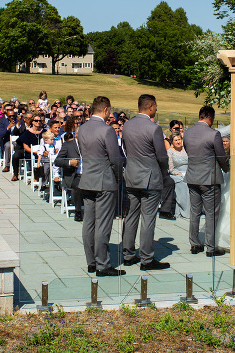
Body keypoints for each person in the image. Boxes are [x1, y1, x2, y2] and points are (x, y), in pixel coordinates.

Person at [121, 94, 171, 270]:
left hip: (132, 174)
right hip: (150, 177)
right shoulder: (154, 128)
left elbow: (125, 149)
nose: (156, 109)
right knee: (148, 218)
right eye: (156, 106)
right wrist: (165, 172)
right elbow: (161, 155)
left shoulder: (126, 126)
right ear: (150, 106)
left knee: (131, 215)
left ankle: (127, 254)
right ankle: (147, 258)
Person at [76, 95, 125, 276]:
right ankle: (103, 264)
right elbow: (115, 158)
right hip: (104, 180)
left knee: (89, 223)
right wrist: (118, 178)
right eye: (110, 111)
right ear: (105, 110)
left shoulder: (82, 129)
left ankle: (91, 261)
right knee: (103, 224)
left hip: (87, 179)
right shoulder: (107, 131)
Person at [183, 106, 229, 257]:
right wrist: (227, 167)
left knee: (195, 212)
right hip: (209, 178)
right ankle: (211, 247)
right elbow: (221, 156)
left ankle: (194, 244)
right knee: (211, 213)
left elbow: (188, 151)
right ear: (210, 117)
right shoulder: (213, 134)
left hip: (192, 176)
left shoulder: (187, 133)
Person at [54, 133, 85, 222]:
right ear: (77, 135)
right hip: (74, 175)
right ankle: (78, 211)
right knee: (79, 185)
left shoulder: (91, 145)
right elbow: (57, 161)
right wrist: (69, 163)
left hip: (89, 174)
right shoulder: (68, 145)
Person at [167, 131, 190, 218]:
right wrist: (179, 173)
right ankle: (184, 210)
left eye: (179, 139)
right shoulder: (170, 152)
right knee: (183, 183)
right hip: (176, 174)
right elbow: (171, 168)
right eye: (175, 140)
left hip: (188, 172)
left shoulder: (186, 149)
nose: (178, 142)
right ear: (172, 142)